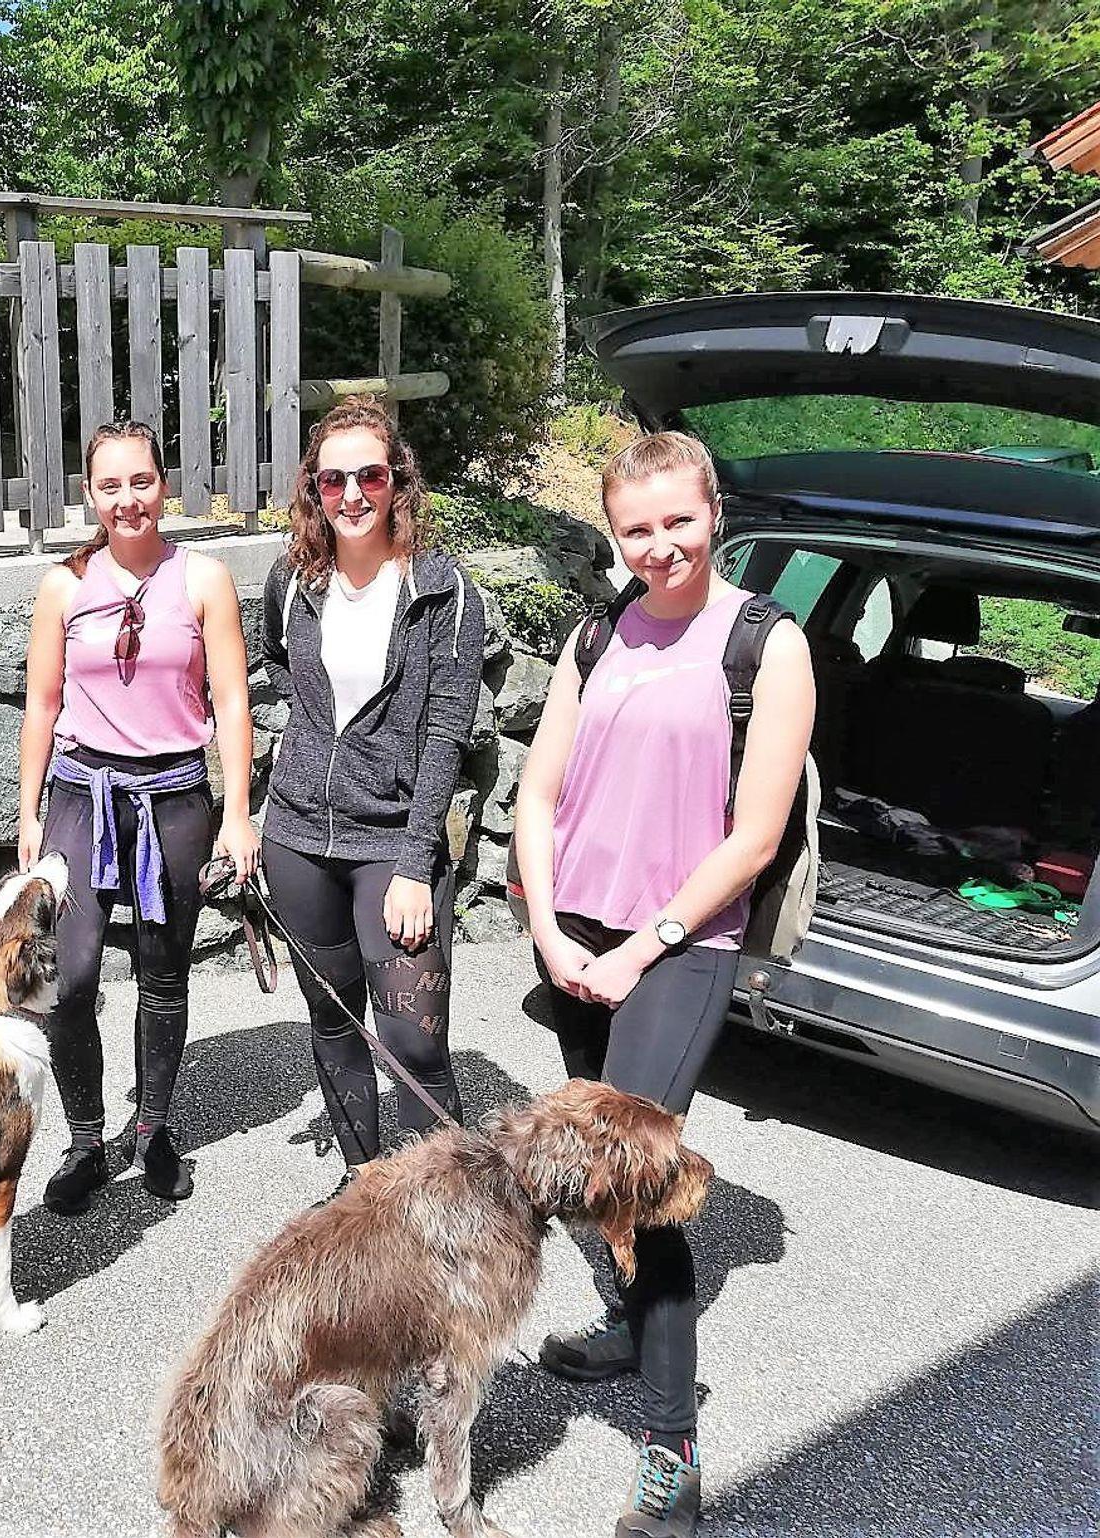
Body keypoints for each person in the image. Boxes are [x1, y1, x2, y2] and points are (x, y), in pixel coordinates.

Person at [513, 431, 815, 1538]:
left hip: (680, 943)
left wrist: (642, 947)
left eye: (677, 520)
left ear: (714, 512)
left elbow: (755, 836)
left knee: (635, 1182)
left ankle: (670, 1447)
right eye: (635, 528)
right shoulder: (595, 634)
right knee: (604, 1185)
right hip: (575, 937)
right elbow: (538, 792)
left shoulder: (765, 645)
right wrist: (546, 927)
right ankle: (634, 1327)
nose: (659, 546)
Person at [16, 420, 258, 1214]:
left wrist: (237, 812)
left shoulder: (204, 579)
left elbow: (231, 701)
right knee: (69, 977)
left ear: (164, 485)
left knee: (163, 969)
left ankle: (153, 1128)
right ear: (90, 495)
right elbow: (42, 704)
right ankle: (86, 1140)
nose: (128, 499)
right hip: (82, 795)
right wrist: (28, 815)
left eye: (142, 482)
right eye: (110, 485)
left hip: (174, 796)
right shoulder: (63, 586)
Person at [258, 396, 486, 1206]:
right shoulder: (293, 580)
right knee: (333, 1023)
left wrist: (418, 863)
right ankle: (363, 1190)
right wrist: (310, 747)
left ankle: (442, 1211)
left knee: (413, 1044)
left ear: (398, 481)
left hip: (394, 846)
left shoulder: (443, 592)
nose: (351, 494)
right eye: (333, 480)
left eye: (370, 476)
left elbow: (447, 732)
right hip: (298, 842)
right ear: (312, 488)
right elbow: (278, 665)